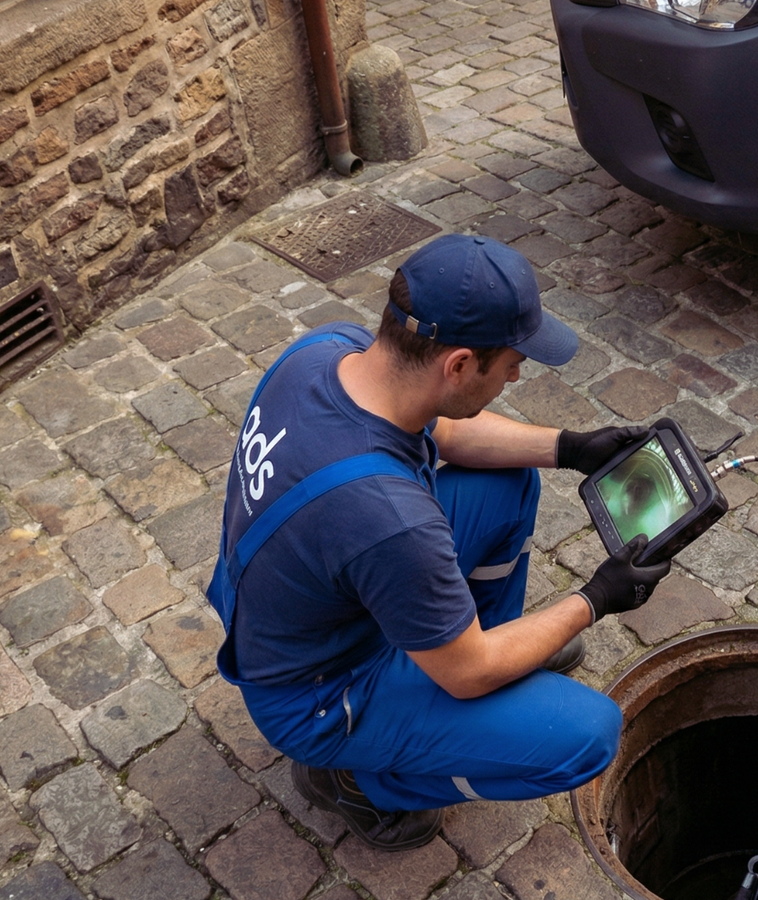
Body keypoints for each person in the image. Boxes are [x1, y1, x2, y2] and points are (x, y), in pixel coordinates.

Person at [206, 233, 672, 851]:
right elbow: (467, 671)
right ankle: (361, 780)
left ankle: (485, 651)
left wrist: (571, 447)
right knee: (586, 736)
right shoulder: (389, 518)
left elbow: (444, 430)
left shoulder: (328, 350)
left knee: (506, 484)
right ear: (457, 365)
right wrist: (597, 596)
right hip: (318, 694)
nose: (515, 373)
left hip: (329, 600)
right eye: (510, 363)